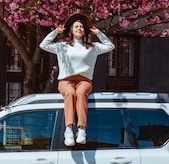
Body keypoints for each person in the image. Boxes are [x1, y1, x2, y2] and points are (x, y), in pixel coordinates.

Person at [39, 13, 115, 146]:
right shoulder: (62, 46)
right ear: (71, 30)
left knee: (80, 93)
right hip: (65, 80)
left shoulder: (93, 47)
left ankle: (81, 129)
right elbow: (43, 45)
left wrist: (99, 33)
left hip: (84, 80)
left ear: (85, 30)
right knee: (69, 93)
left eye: (81, 26)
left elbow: (110, 46)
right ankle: (68, 129)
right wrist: (56, 31)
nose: (79, 28)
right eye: (76, 26)